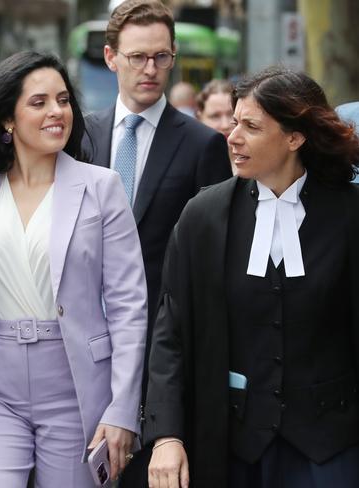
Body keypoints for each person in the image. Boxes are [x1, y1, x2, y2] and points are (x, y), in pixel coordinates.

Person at [0, 51, 147, 487]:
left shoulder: (101, 189)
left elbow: (128, 307)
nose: (57, 112)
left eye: (63, 100)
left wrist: (122, 410)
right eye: (39, 102)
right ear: (8, 119)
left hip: (76, 387)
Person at [145, 66, 359, 488]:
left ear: (295, 137)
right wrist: (166, 435)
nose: (232, 135)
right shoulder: (202, 217)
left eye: (251, 126)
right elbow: (170, 335)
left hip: (331, 447)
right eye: (234, 121)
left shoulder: (351, 215)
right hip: (233, 447)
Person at [81, 1, 231, 484]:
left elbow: (209, 265)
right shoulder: (81, 136)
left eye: (162, 57)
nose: (151, 69)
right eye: (137, 57)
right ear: (110, 57)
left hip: (159, 353)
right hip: (78, 348)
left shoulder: (202, 145)